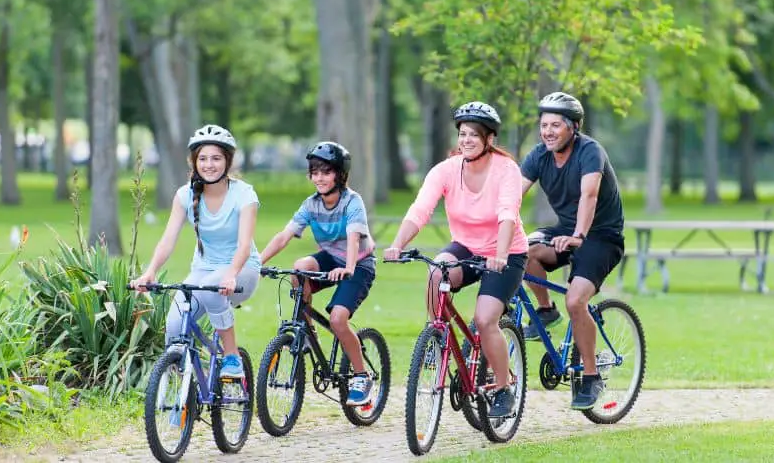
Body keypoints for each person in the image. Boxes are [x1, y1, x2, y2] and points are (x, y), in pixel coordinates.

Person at [383, 101, 528, 418]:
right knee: (437, 272)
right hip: (465, 245)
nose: (466, 140)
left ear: (489, 139)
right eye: (462, 134)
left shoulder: (507, 171)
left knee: (486, 318)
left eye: (474, 135)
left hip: (506, 252)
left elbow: (507, 215)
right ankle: (437, 336)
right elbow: (420, 210)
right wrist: (397, 244)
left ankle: (503, 388)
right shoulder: (446, 170)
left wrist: (501, 255)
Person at [520, 91, 625, 410]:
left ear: (573, 127)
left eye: (555, 125)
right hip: (565, 229)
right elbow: (512, 195)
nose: (547, 132)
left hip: (601, 235)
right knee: (524, 252)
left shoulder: (590, 152)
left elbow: (589, 196)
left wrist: (579, 234)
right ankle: (545, 311)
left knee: (576, 300)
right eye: (543, 125)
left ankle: (591, 378)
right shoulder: (538, 156)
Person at [131, 124, 261, 379]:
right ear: (194, 161)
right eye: (202, 158)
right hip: (202, 272)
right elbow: (168, 239)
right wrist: (150, 272)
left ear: (227, 161)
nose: (209, 164)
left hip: (242, 270)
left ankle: (232, 356)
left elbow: (245, 245)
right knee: (174, 327)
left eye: (216, 158)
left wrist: (231, 274)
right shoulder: (184, 195)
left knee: (212, 290)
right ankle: (185, 393)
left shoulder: (244, 194)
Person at [259, 141, 377, 407]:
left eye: (326, 171)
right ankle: (307, 333)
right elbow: (283, 236)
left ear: (340, 174)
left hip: (358, 263)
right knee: (299, 267)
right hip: (331, 259)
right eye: (315, 172)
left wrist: (347, 268)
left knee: (337, 320)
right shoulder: (310, 204)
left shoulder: (352, 202)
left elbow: (353, 237)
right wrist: (257, 263)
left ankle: (361, 376)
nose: (319, 178)